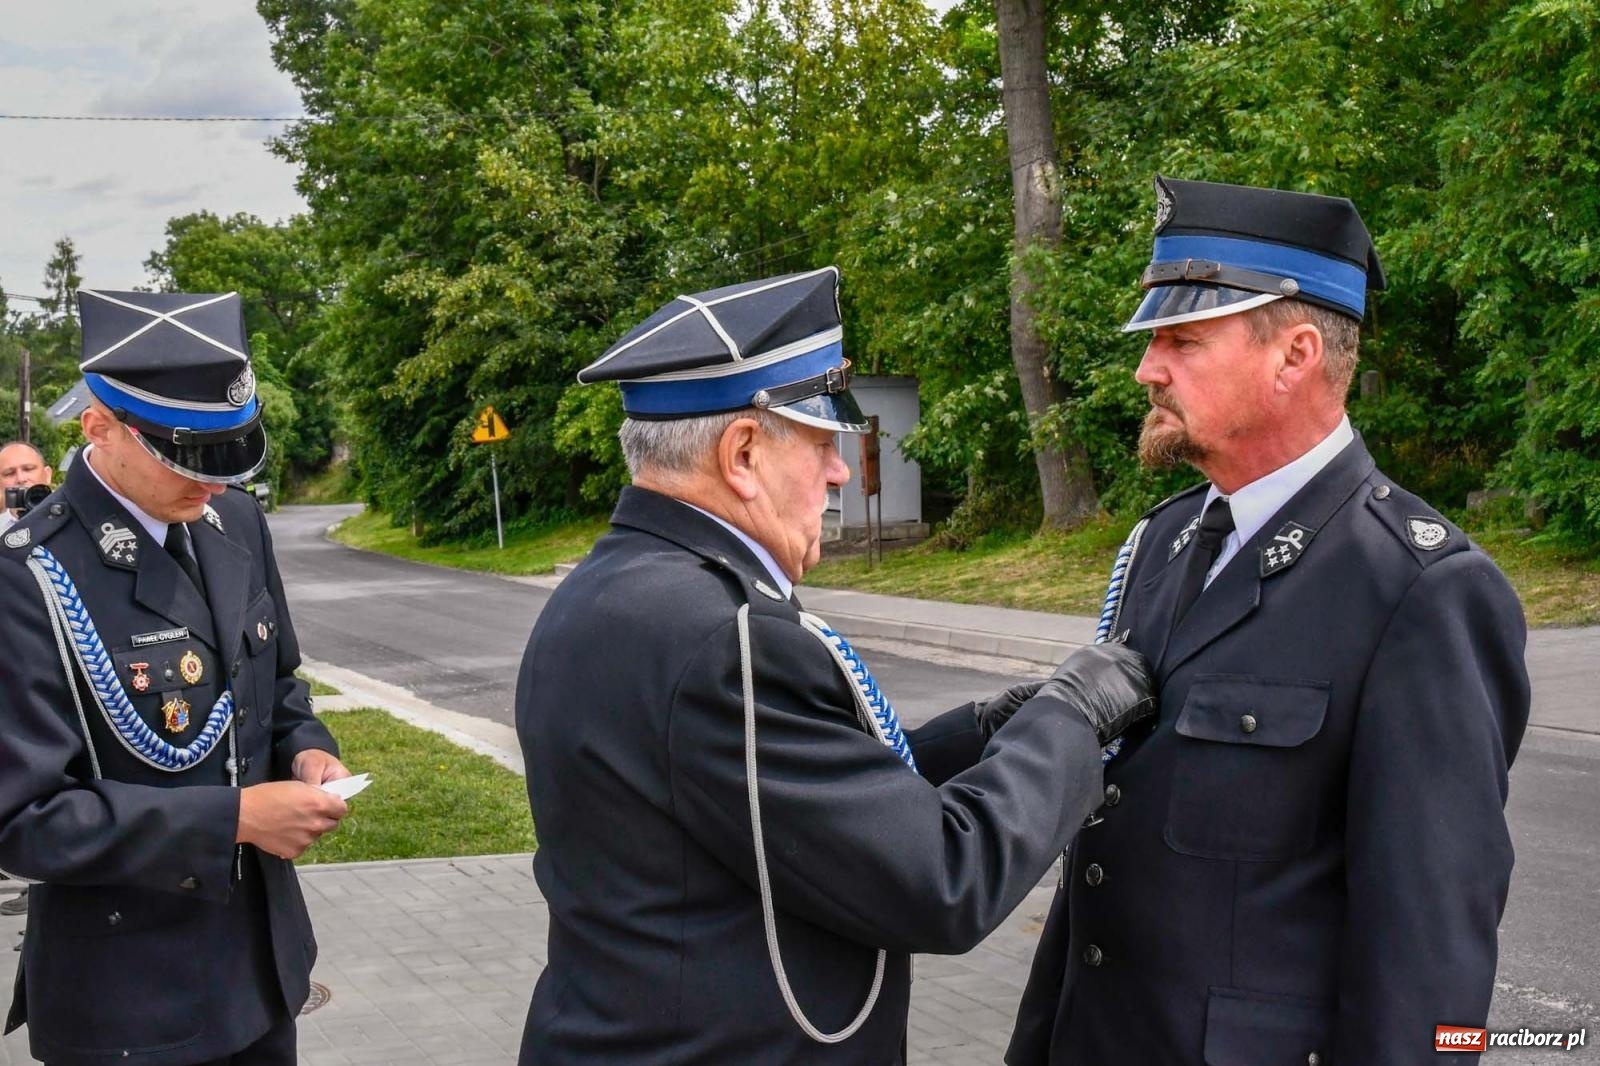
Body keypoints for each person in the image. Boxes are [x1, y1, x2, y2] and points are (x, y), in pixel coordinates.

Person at [515, 266, 1156, 1064]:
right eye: (822, 442)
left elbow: (789, 805)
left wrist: (985, 732)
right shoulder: (728, 634)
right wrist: (1070, 718)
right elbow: (939, 882)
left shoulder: (613, 589)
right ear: (743, 451)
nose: (839, 472)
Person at [1006, 177, 1532, 1065]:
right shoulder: (1165, 541)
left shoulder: (1420, 590)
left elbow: (1428, 965)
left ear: (1293, 357)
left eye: (1181, 340)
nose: (1147, 369)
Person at [0, 289, 352, 1066]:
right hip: (131, 999)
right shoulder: (26, 578)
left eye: (229, 455)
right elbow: (23, 821)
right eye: (187, 457)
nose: (215, 484)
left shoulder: (235, 524)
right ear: (100, 427)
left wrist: (306, 749)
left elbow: (278, 682)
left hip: (262, 970)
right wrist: (233, 818)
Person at [0, 440, 53, 533]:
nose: (20, 479)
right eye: (9, 473)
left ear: (47, 475)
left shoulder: (75, 520)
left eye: (28, 469)